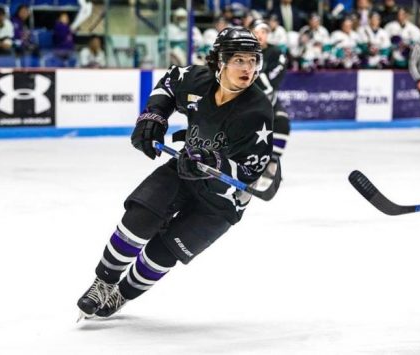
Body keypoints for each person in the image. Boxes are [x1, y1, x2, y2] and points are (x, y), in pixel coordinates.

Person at [76, 27, 274, 319]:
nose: (248, 69)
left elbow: (250, 172)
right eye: (239, 60)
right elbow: (168, 82)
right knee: (139, 217)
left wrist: (215, 164)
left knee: (163, 253)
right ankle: (103, 282)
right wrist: (153, 116)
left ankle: (122, 294)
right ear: (220, 61)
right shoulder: (196, 79)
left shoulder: (257, 110)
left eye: (253, 60)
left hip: (222, 201)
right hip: (184, 170)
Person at [251, 19, 290, 178]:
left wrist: (258, 77)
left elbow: (272, 81)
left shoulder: (276, 53)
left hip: (268, 100)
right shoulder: (243, 52)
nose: (261, 35)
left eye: (264, 32)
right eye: (257, 31)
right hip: (245, 101)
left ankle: (272, 162)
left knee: (282, 122)